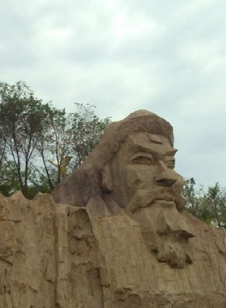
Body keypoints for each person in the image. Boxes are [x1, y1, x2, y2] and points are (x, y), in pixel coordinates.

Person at [52, 109, 195, 268]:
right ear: (107, 175)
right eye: (143, 160)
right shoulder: (77, 228)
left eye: (170, 164)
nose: (167, 176)